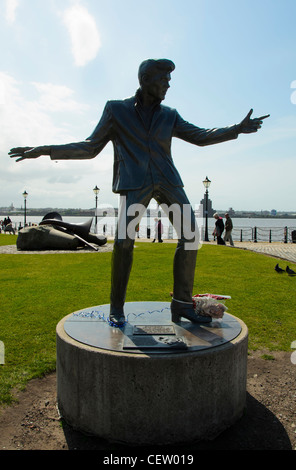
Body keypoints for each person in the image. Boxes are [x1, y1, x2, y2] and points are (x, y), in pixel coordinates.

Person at [9, 58, 269, 326]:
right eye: (163, 80)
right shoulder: (116, 110)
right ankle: (116, 307)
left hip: (168, 180)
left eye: (169, 80)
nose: (168, 85)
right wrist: (44, 150)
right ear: (145, 80)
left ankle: (181, 304)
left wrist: (236, 129)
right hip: (135, 183)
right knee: (123, 242)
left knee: (190, 235)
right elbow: (90, 147)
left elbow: (200, 135)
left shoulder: (170, 115)